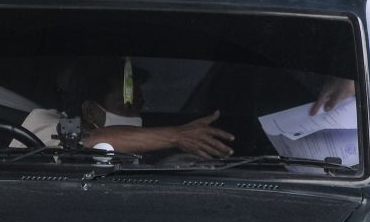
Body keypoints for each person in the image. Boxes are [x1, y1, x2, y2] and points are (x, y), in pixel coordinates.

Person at [19, 55, 235, 159]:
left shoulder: (134, 150)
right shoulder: (46, 122)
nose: (136, 116)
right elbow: (90, 141)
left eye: (138, 106)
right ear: (90, 111)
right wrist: (176, 136)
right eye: (126, 106)